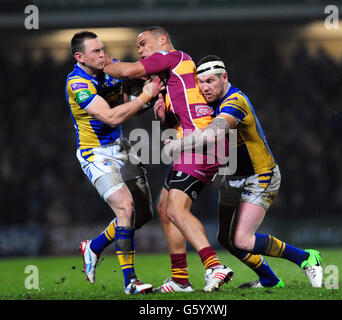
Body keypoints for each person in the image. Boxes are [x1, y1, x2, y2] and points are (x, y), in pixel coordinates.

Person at [165, 55, 324, 289]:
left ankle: (306, 258)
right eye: (201, 83)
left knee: (242, 239)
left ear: (224, 77)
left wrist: (179, 145)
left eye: (210, 81)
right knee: (226, 239)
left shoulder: (235, 101)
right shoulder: (210, 102)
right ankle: (270, 280)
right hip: (232, 178)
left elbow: (215, 133)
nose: (205, 88)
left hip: (260, 177)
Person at [104, 26, 234, 293]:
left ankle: (214, 266)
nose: (140, 49)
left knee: (176, 209)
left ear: (162, 40)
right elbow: (172, 122)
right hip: (191, 146)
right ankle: (180, 279)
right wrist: (163, 117)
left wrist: (105, 63)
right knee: (164, 209)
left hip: (200, 146)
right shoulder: (172, 79)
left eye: (143, 43)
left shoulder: (172, 57)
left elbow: (127, 72)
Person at [65, 31, 164, 294]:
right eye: (96, 51)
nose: (102, 54)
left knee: (142, 215)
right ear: (80, 57)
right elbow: (110, 117)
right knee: (125, 208)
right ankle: (130, 282)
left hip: (121, 147)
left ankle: (94, 246)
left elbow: (132, 102)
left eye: (102, 49)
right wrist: (145, 96)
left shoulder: (110, 67)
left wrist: (152, 94)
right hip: (95, 153)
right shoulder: (77, 83)